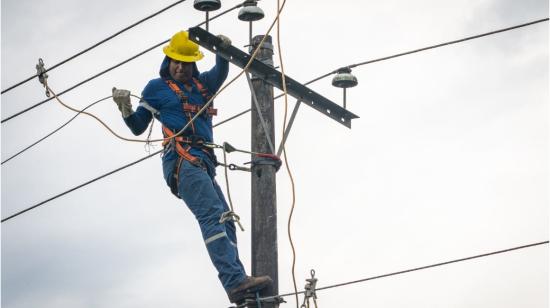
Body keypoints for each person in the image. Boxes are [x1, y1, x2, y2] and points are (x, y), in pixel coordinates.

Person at [112, 30, 272, 303]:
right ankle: (234, 282)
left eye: (186, 63)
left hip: (203, 164)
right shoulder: (156, 88)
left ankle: (241, 284)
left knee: (226, 222)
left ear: (193, 64)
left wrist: (223, 49)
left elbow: (221, 72)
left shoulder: (202, 86)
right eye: (176, 61)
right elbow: (139, 127)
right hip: (182, 161)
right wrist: (125, 108)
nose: (180, 67)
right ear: (168, 60)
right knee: (212, 217)